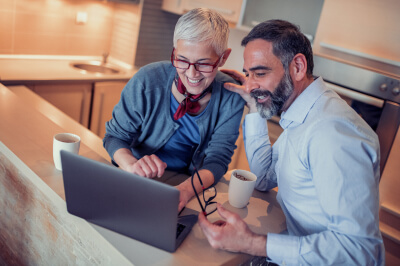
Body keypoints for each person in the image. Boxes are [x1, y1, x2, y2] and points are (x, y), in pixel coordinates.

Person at [198, 19, 385, 265]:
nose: (251, 84)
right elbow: (264, 178)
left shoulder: (330, 133)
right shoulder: (303, 114)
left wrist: (252, 244)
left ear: (297, 66)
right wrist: (255, 106)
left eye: (260, 73)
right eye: (248, 74)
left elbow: (360, 251)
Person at [103, 8, 245, 211]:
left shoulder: (231, 96)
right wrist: (131, 165)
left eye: (204, 64)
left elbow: (217, 160)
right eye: (182, 60)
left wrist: (185, 191)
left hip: (189, 186)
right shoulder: (146, 80)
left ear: (223, 58)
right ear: (174, 51)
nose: (191, 73)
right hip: (136, 178)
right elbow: (114, 137)